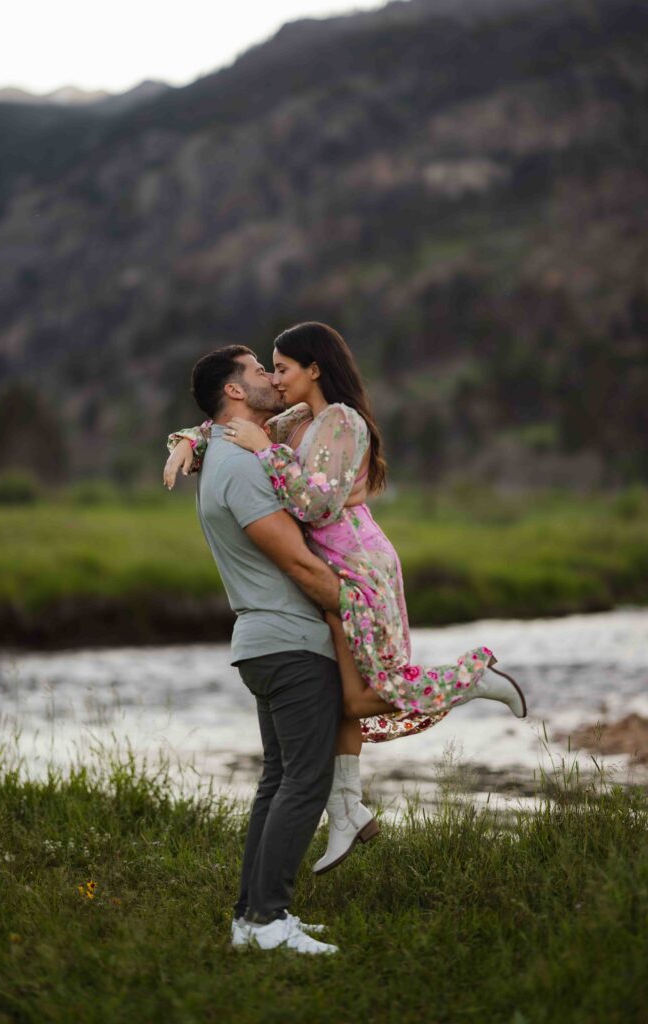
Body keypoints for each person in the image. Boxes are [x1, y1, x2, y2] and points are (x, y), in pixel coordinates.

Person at [166, 322, 527, 877]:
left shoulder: (340, 421)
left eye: (281, 367)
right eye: (267, 368)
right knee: (348, 701)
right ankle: (348, 810)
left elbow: (314, 506)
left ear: (313, 369)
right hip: (332, 573)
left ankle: (470, 678)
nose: (275, 378)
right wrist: (186, 441)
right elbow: (226, 423)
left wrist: (266, 451)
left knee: (368, 692)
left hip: (356, 571)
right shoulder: (296, 420)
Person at [164, 344, 344, 954]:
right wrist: (361, 605)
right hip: (290, 642)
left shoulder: (221, 448)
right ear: (235, 391)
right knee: (306, 782)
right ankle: (270, 921)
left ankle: (250, 918)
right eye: (258, 371)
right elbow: (297, 561)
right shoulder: (241, 467)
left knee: (279, 780)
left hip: (267, 642)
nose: (271, 377)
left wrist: (188, 438)